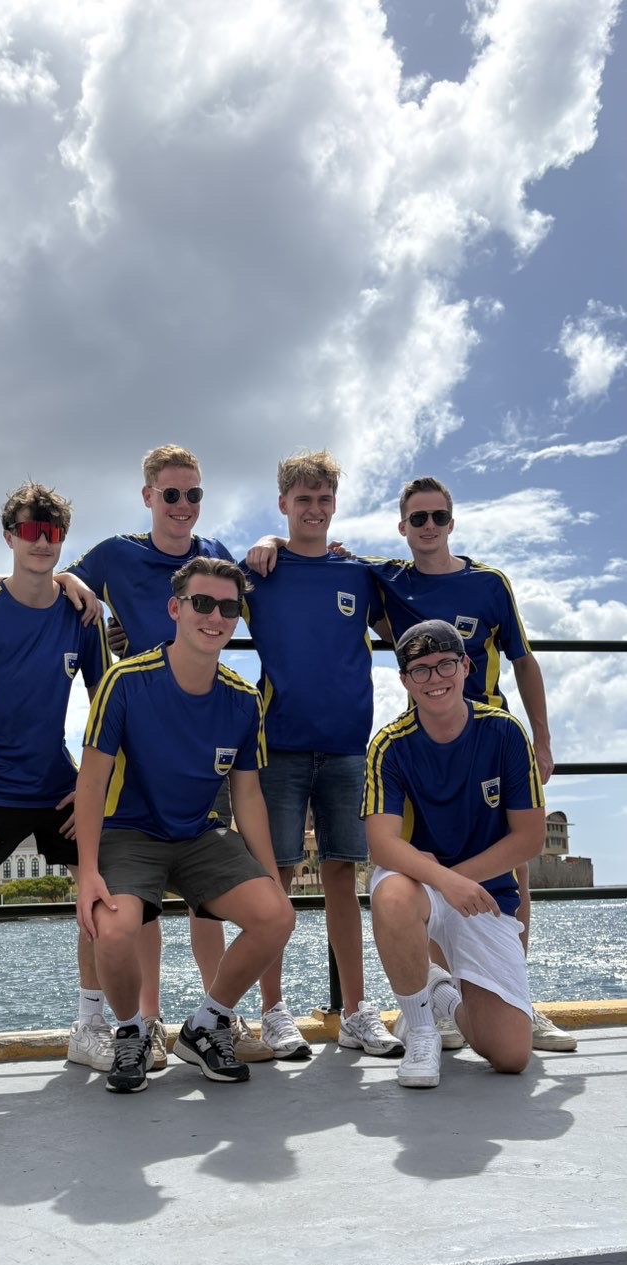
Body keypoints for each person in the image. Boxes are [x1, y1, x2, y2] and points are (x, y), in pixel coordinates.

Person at [68, 445, 275, 1063]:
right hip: (137, 769)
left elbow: (249, 796)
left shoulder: (214, 563)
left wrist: (272, 538)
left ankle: (210, 1023)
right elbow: (58, 577)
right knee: (127, 914)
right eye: (172, 494)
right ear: (149, 497)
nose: (183, 505)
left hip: (201, 769)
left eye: (194, 494)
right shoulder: (118, 556)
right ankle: (141, 1025)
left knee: (246, 902)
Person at [364, 476, 573, 1052]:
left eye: (438, 516)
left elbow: (523, 661)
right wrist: (271, 543)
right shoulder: (387, 581)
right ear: (403, 527)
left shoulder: (488, 583)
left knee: (514, 865)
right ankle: (442, 997)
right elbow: (324, 567)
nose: (428, 526)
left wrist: (543, 738)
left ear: (452, 522)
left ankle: (515, 996)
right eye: (418, 518)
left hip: (490, 737)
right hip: (426, 739)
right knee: (426, 859)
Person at [0, 482, 111, 1085]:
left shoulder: (83, 615)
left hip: (58, 783)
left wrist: (91, 786)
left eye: (53, 533)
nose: (42, 542)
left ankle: (90, 1026)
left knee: (98, 891)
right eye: (31, 531)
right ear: (9, 536)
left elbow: (107, 706)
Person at [241, 451, 398, 1060]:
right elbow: (193, 596)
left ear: (335, 503)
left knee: (343, 877)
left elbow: (405, 628)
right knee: (274, 879)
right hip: (277, 745)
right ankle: (272, 1012)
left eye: (323, 499)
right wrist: (265, 541)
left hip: (346, 747)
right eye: (302, 499)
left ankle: (355, 1012)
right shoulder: (259, 570)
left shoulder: (359, 575)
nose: (313, 509)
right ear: (283, 504)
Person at [362, 620, 546, 1088]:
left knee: (511, 1055)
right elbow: (382, 843)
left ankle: (441, 994)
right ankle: (421, 1030)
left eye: (445, 664)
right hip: (421, 885)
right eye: (420, 670)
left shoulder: (505, 732)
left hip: (483, 892)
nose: (435, 678)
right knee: (392, 896)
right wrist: (443, 881)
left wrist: (457, 879)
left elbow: (529, 838)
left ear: (466, 666)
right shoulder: (389, 744)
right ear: (405, 680)